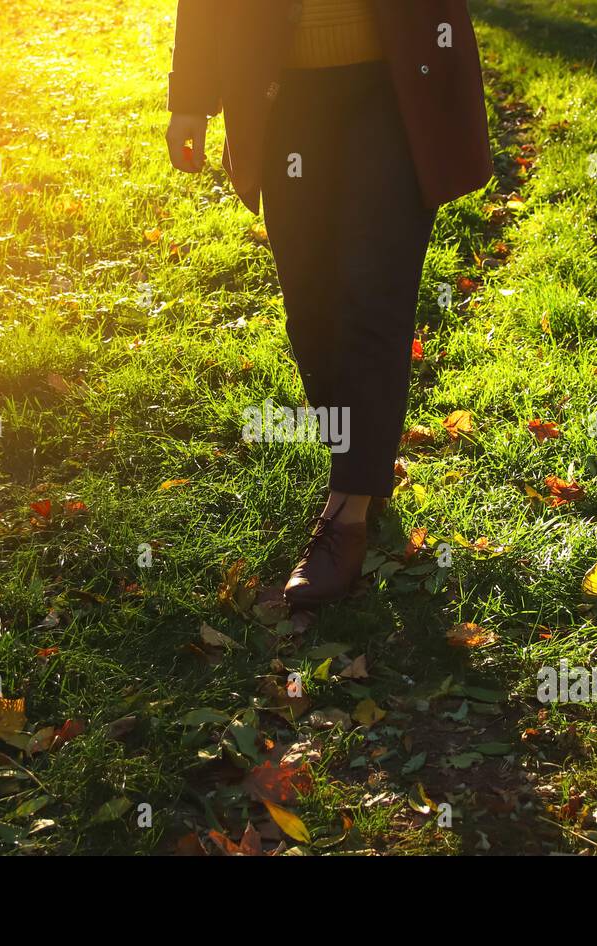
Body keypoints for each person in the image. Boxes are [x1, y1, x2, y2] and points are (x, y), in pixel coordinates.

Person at [166, 0, 493, 606]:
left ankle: (347, 512)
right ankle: (363, 457)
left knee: (373, 293)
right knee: (312, 308)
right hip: (282, 90)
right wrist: (190, 94)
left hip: (396, 83)